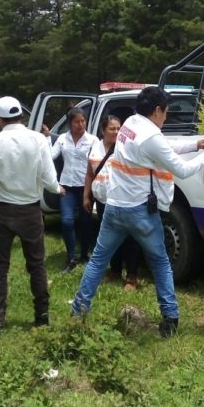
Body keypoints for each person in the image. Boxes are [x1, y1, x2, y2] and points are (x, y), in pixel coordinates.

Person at [71, 86, 204, 338]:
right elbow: (183, 170)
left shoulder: (130, 124)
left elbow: (164, 147)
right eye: (166, 112)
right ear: (156, 110)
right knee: (161, 262)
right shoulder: (151, 136)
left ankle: (78, 311)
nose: (166, 117)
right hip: (140, 212)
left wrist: (199, 143)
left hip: (114, 207)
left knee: (98, 260)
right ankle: (170, 317)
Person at [0, 96, 65, 329]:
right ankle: (42, 315)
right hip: (30, 212)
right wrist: (57, 188)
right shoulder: (38, 140)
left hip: (1, 210)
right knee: (37, 265)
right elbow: (48, 177)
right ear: (21, 116)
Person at [83, 114, 142, 290]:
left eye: (119, 128)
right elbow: (89, 174)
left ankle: (131, 276)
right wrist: (86, 195)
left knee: (130, 239)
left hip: (124, 202)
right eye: (112, 128)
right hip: (102, 201)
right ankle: (115, 270)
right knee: (108, 238)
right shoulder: (94, 148)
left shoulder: (126, 148)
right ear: (103, 130)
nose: (116, 131)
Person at [50, 107, 98, 272]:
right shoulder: (63, 139)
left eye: (83, 121)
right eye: (76, 121)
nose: (80, 124)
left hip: (86, 188)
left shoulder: (92, 140)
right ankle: (71, 256)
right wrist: (54, 183)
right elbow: (50, 157)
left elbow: (98, 163)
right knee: (67, 221)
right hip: (67, 188)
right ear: (70, 123)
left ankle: (84, 255)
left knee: (85, 222)